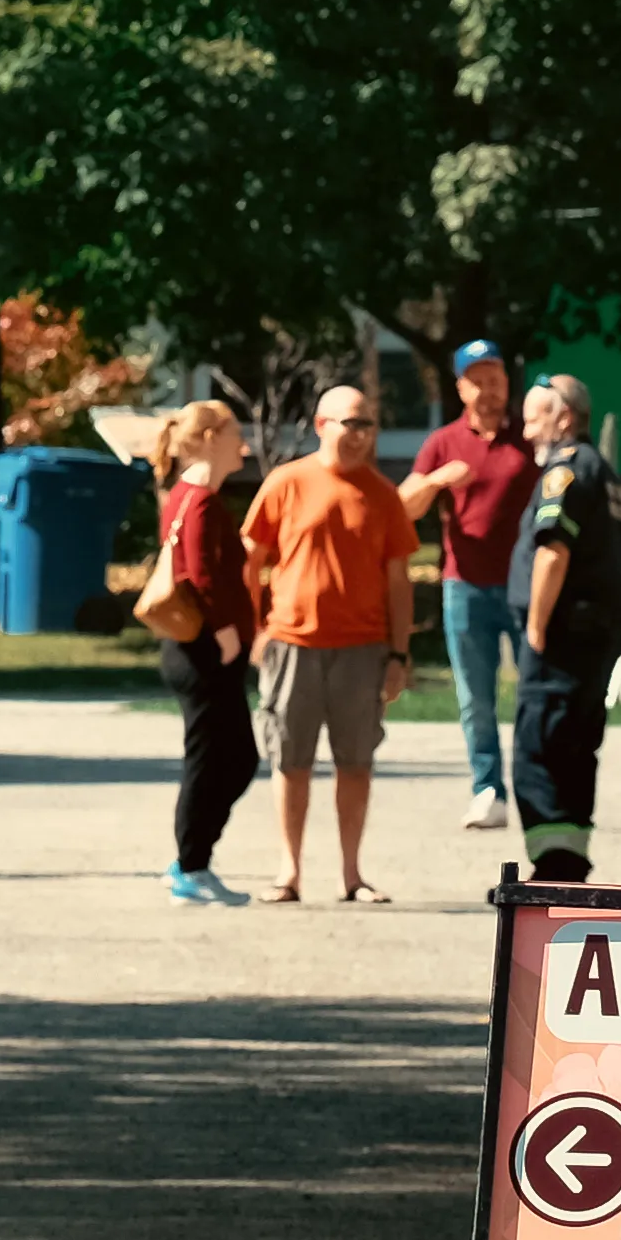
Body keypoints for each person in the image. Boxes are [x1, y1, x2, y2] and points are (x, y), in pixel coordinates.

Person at [242, 385, 417, 905]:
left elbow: (399, 581)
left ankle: (352, 875)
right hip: (292, 643)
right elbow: (251, 559)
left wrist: (399, 654)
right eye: (350, 423)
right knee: (290, 759)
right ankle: (289, 872)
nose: (360, 434)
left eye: (367, 425)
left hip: (362, 649)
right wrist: (255, 628)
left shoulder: (382, 494)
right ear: (322, 425)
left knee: (356, 763)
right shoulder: (286, 482)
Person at [400, 343, 539, 836]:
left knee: (534, 691)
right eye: (477, 380)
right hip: (465, 586)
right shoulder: (443, 442)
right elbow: (403, 507)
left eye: (495, 378)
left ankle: (534, 788)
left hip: (527, 586)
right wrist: (438, 480)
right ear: (460, 387)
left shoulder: (529, 437)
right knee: (476, 699)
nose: (488, 389)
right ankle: (488, 791)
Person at [509, 376, 621, 882]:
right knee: (577, 745)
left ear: (563, 418)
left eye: (533, 419)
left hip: (563, 638)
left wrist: (536, 626)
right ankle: (569, 860)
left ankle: (553, 865)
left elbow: (553, 550)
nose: (525, 432)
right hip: (594, 638)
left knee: (541, 745)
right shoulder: (603, 472)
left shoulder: (565, 470)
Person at [143, 399, 260, 907]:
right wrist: (227, 631)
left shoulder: (186, 495)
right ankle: (189, 866)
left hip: (200, 651)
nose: (244, 446)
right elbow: (201, 573)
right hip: (204, 652)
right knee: (215, 759)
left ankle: (194, 860)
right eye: (236, 434)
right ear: (211, 438)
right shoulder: (200, 500)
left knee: (231, 758)